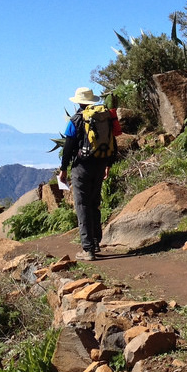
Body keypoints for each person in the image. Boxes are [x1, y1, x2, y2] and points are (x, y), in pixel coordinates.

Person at [57, 87, 120, 261]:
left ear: (78, 102)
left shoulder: (76, 119)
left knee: (82, 205)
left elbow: (68, 146)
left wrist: (63, 169)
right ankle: (95, 241)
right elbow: (112, 141)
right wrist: (108, 163)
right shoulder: (104, 117)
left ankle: (88, 249)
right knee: (94, 203)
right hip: (100, 163)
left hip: (82, 167)